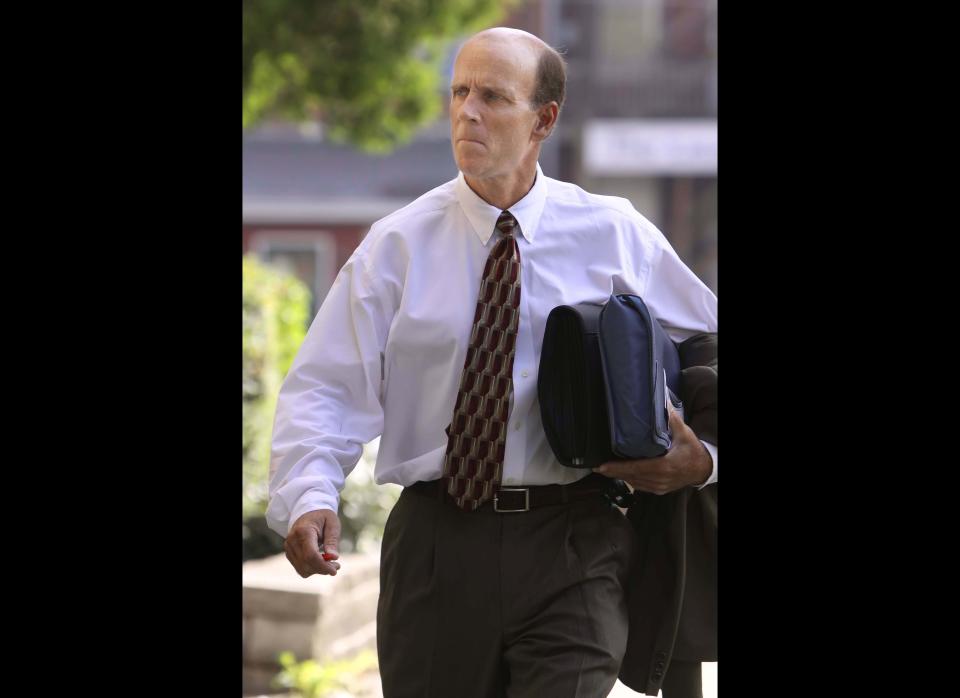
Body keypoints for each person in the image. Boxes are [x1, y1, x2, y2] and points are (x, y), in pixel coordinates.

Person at [266, 26, 717, 698]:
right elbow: (327, 388)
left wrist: (704, 458)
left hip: (578, 540)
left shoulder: (616, 234)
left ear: (544, 119)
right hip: (436, 544)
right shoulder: (396, 246)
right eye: (459, 92)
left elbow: (709, 348)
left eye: (493, 97)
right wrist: (307, 494)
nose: (467, 112)